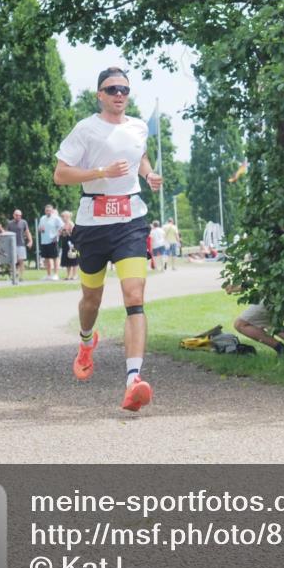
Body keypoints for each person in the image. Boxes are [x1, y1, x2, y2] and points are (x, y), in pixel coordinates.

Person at [53, 66, 163, 412]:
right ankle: (86, 342)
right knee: (91, 299)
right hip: (93, 223)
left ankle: (133, 380)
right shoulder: (85, 129)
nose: (119, 95)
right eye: (112, 89)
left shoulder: (138, 127)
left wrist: (148, 174)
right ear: (99, 94)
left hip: (131, 220)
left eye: (124, 90)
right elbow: (60, 174)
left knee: (135, 296)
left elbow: (139, 155)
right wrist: (102, 172)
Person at [225, 283, 284, 357]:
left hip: (276, 297)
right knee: (271, 321)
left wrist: (236, 288)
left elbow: (258, 277)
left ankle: (283, 351)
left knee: (240, 324)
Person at [5, 209, 33, 281]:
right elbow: (6, 233)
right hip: (12, 245)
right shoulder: (10, 223)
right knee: (12, 261)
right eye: (17, 215)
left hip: (21, 244)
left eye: (19, 215)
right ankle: (13, 275)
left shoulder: (24, 222)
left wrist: (30, 241)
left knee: (21, 260)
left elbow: (27, 232)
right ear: (14, 215)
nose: (18, 217)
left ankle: (21, 277)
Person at [38, 204, 63, 281]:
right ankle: (48, 275)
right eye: (46, 210)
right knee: (46, 258)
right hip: (44, 241)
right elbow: (39, 228)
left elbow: (62, 227)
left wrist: (57, 235)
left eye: (49, 210)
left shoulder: (56, 218)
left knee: (55, 258)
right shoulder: (42, 218)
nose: (48, 212)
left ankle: (56, 274)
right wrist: (41, 229)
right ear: (45, 211)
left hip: (53, 240)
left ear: (52, 211)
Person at [58, 210, 78, 280]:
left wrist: (68, 232)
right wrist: (61, 232)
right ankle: (68, 275)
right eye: (62, 217)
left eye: (63, 216)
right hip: (65, 244)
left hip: (72, 244)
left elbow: (74, 234)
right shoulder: (63, 225)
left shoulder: (71, 224)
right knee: (67, 260)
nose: (62, 218)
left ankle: (74, 275)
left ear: (68, 217)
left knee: (74, 259)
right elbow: (61, 234)